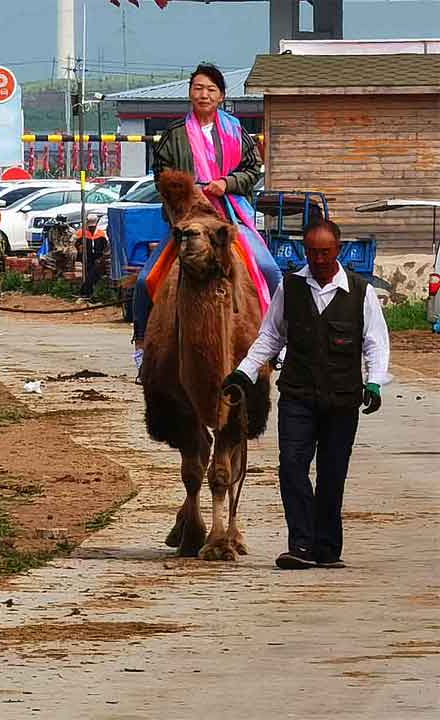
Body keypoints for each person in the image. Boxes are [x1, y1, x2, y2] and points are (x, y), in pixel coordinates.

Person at [223, 220, 390, 570]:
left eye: (325, 253)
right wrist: (244, 372)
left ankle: (327, 548)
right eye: (312, 253)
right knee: (292, 468)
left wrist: (374, 383)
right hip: (297, 396)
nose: (318, 259)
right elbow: (271, 336)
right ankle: (300, 544)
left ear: (338, 251)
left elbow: (375, 342)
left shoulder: (361, 292)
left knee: (332, 475)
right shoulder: (290, 287)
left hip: (343, 400)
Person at [133, 63, 282, 372]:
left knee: (270, 271)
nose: (204, 95)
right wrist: (187, 193)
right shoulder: (173, 135)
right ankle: (142, 347)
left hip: (230, 218)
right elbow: (160, 175)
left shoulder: (236, 131)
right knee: (146, 280)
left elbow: (253, 169)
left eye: (211, 90)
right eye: (198, 88)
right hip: (188, 221)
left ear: (221, 96)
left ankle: (277, 342)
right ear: (190, 93)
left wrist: (226, 184)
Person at [75, 212, 109, 297]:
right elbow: (74, 245)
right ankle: (87, 292)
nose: (91, 228)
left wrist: (101, 258)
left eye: (93, 227)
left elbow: (105, 248)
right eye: (90, 227)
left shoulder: (101, 234)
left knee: (94, 272)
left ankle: (84, 292)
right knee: (91, 272)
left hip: (98, 258)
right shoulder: (81, 233)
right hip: (85, 258)